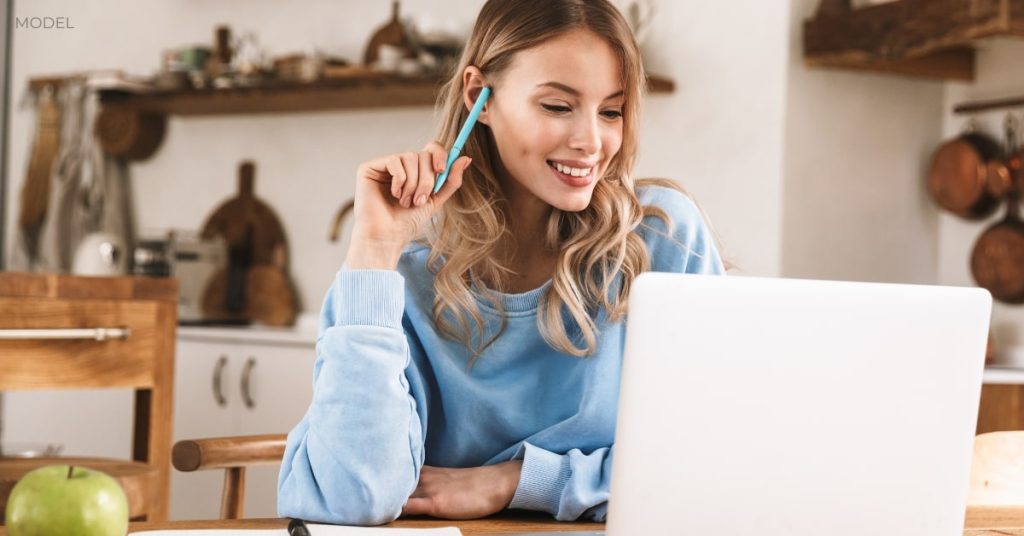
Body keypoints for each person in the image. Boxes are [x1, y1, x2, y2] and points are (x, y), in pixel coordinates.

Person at [278, 0, 726, 526]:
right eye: (558, 106)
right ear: (479, 96)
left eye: (611, 111)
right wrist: (374, 252)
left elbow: (711, 461)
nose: (590, 142)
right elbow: (348, 498)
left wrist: (515, 481)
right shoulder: (400, 278)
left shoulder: (661, 238)